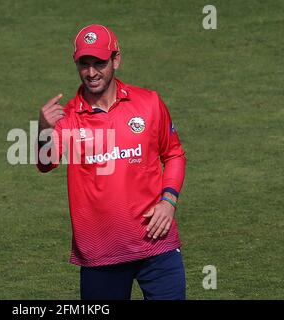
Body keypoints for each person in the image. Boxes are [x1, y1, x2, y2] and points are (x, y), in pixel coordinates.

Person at [36, 24, 187, 300]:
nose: (91, 73)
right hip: (100, 253)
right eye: (85, 64)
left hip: (157, 246)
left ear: (116, 59)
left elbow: (174, 154)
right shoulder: (67, 117)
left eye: (99, 63)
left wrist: (169, 202)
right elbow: (46, 164)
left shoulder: (149, 103)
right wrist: (44, 129)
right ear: (76, 63)